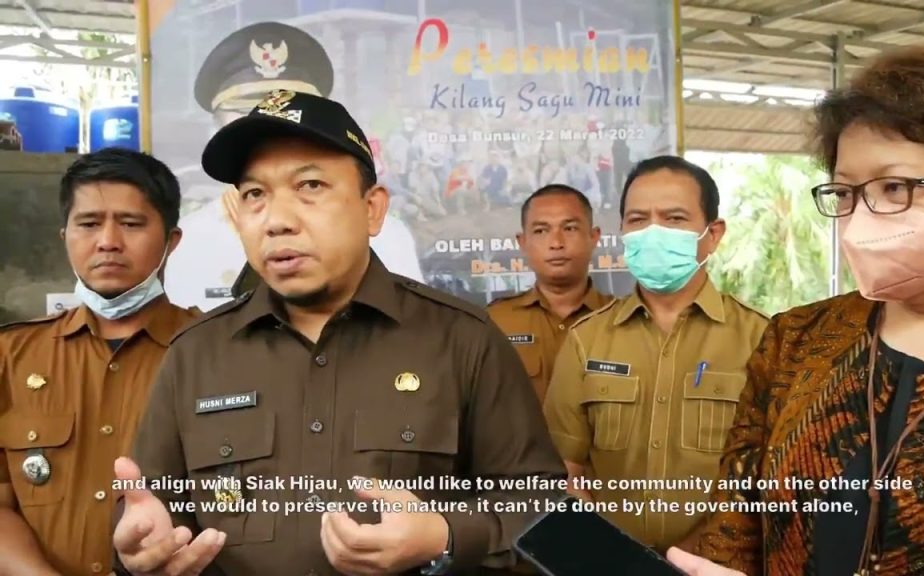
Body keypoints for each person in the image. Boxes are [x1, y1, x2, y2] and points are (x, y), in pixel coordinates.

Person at [111, 90, 566, 576]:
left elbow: (544, 514)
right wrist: (138, 549)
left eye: (309, 186)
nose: (277, 221)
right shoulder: (195, 355)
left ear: (372, 209)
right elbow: (149, 515)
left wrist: (445, 535)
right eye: (254, 195)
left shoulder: (463, 341)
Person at [669, 46, 924, 576]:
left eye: (894, 188)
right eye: (846, 192)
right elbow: (737, 517)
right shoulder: (798, 340)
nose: (860, 220)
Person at [543, 156, 769, 554]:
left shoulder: (762, 340)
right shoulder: (586, 341)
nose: (653, 232)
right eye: (637, 220)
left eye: (674, 219)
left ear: (713, 234)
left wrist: (697, 554)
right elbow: (565, 472)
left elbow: (774, 481)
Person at [0, 148, 197, 575]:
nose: (108, 240)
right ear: (65, 236)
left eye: (131, 223)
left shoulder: (214, 349)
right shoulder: (11, 356)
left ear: (171, 240)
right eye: (88, 223)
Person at [165, 21, 424, 311]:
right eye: (246, 110)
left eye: (311, 185)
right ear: (216, 126)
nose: (279, 223)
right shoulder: (190, 239)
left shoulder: (390, 237)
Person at [487, 184, 612, 402]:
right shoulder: (494, 323)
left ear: (594, 237)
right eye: (541, 231)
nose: (556, 243)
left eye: (570, 228)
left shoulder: (622, 320)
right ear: (523, 242)